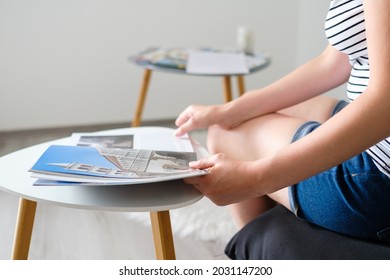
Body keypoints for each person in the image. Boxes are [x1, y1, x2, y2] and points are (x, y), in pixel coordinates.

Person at [174, 0, 390, 243]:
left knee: (225, 135)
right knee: (233, 121)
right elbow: (331, 64)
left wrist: (254, 179)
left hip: (379, 181)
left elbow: (385, 105)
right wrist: (230, 110)